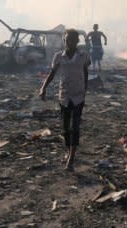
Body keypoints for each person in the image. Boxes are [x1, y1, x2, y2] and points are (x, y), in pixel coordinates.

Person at [39, 29, 91, 171]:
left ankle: (71, 158)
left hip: (78, 96)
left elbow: (85, 73)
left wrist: (84, 90)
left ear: (77, 41)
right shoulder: (58, 57)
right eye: (67, 40)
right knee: (65, 128)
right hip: (64, 96)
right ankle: (69, 150)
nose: (69, 42)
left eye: (72, 40)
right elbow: (52, 74)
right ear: (64, 41)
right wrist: (43, 88)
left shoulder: (84, 56)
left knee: (75, 127)